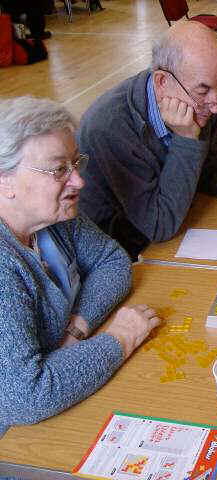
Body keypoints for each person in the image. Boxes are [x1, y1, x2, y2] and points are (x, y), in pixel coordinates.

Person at [0, 97, 162, 438]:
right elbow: (27, 396)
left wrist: (76, 330)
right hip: (18, 443)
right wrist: (120, 338)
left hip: (67, 400)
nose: (79, 182)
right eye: (59, 169)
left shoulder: (54, 217)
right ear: (5, 181)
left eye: (76, 164)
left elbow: (113, 261)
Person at [76, 21, 217, 259]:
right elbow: (159, 225)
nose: (215, 105)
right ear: (162, 82)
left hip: (172, 215)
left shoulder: (199, 104)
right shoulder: (110, 126)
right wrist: (188, 138)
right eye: (203, 91)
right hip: (115, 247)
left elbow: (213, 167)